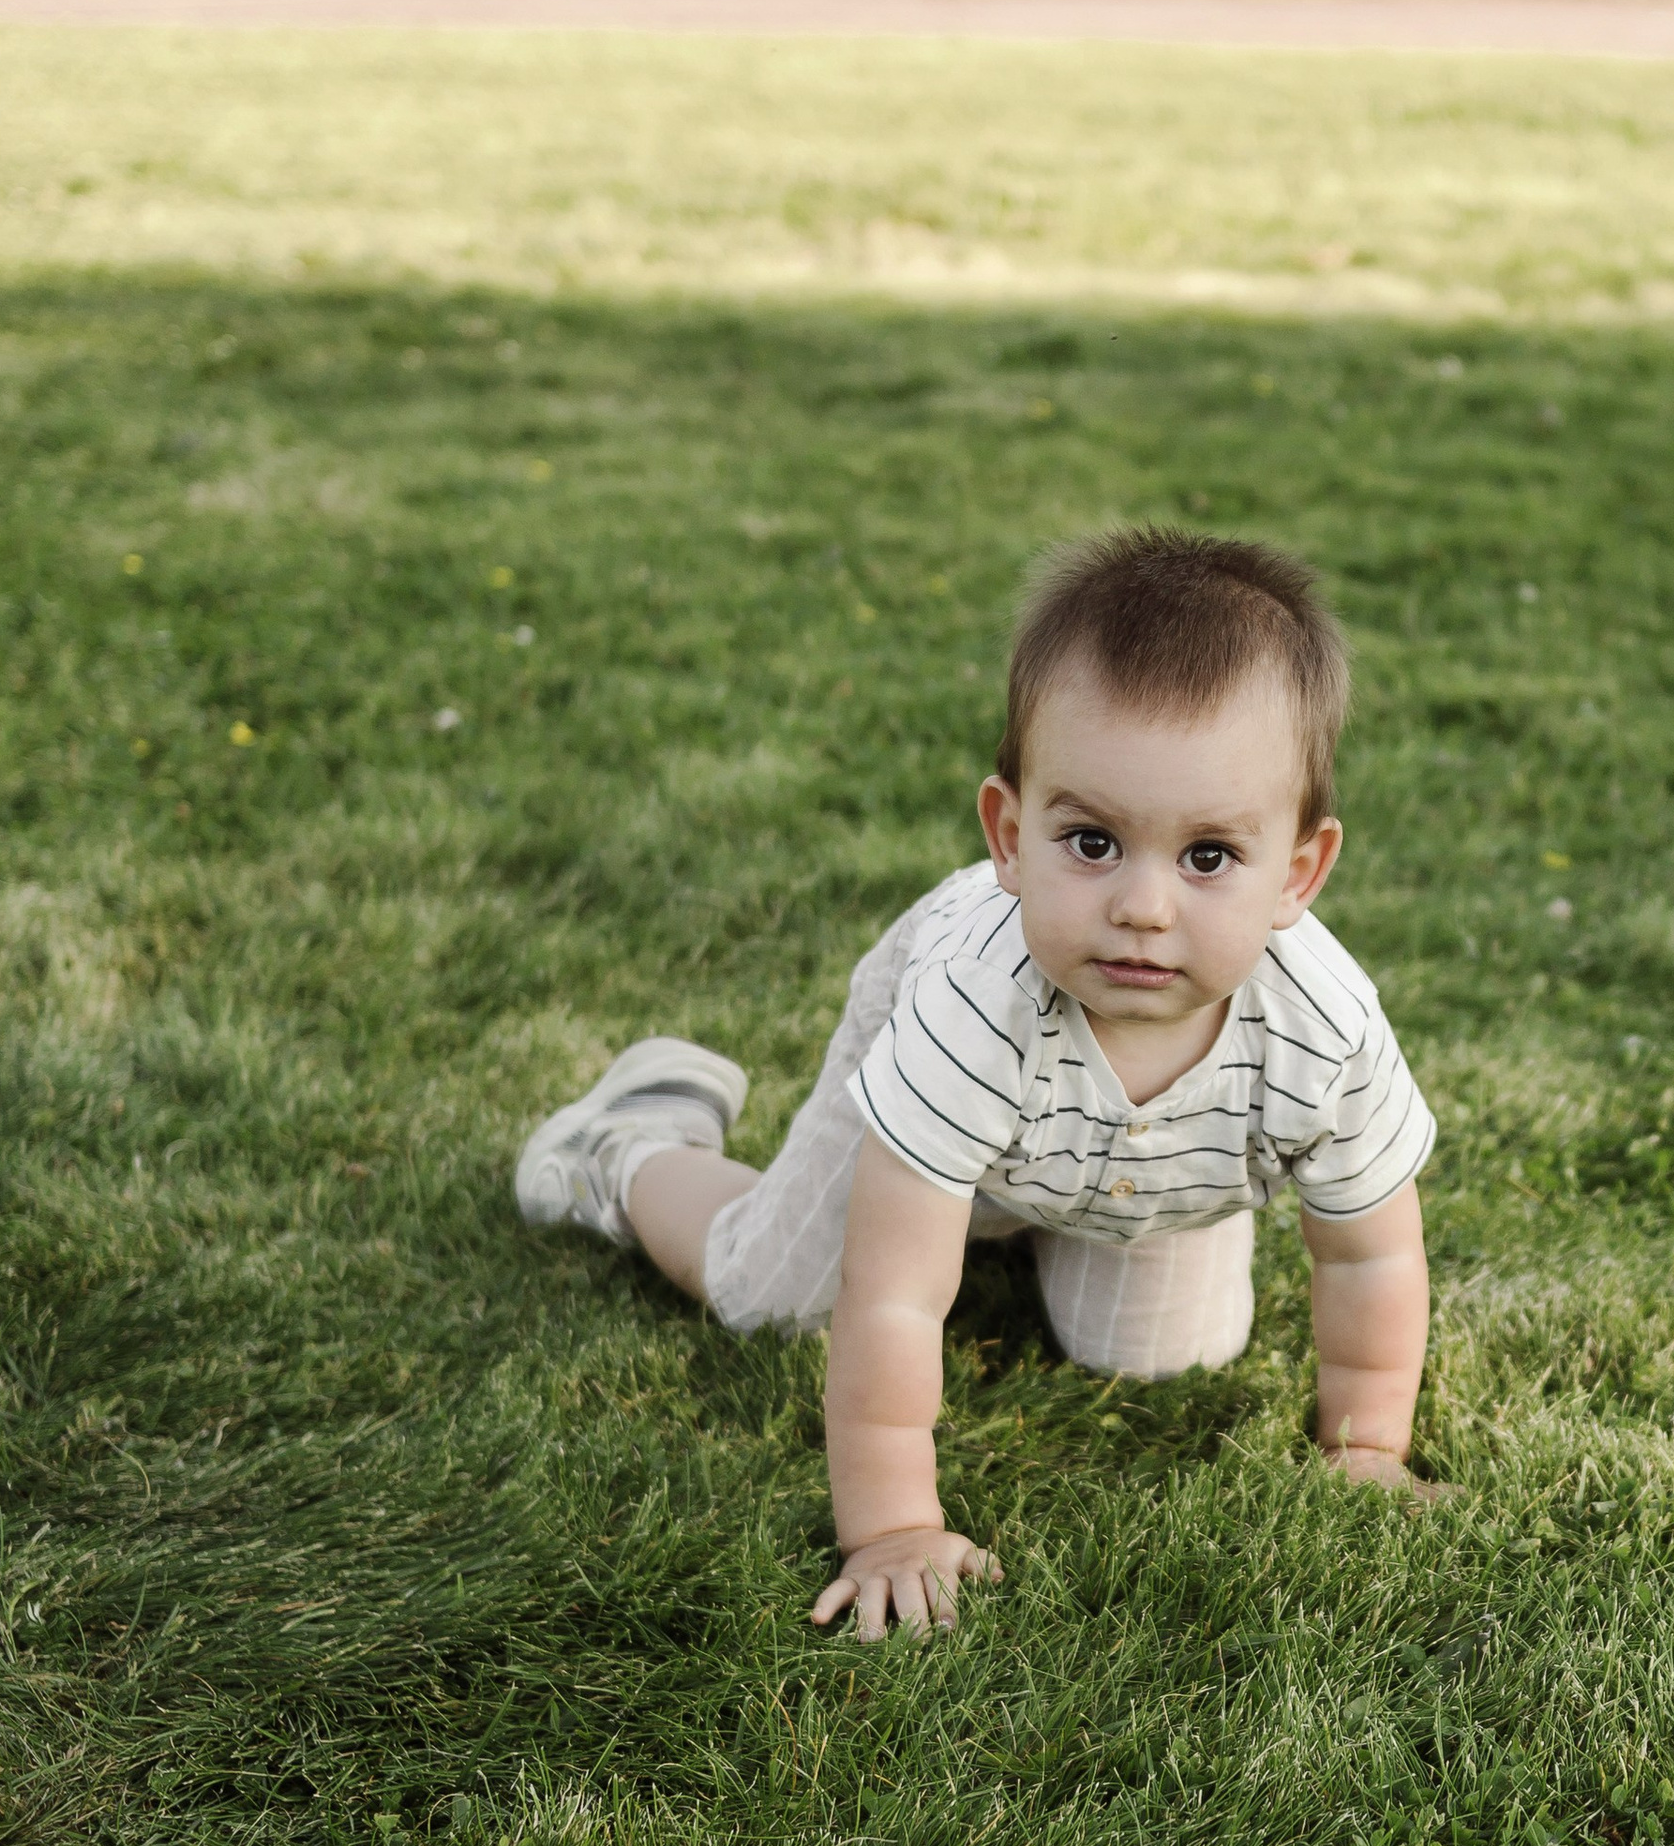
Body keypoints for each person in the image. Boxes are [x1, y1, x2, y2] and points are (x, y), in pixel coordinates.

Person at [513, 527, 1436, 1640]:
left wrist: (1365, 1447)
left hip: (1140, 1164)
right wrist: (893, 1526)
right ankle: (629, 1145)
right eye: (1090, 842)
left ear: (1297, 872)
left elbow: (1371, 1254)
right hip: (955, 1093)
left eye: (1207, 857)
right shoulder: (970, 1005)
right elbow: (893, 1298)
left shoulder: (1322, 1029)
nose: (1143, 908)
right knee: (769, 1291)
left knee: (1163, 1359)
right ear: (1009, 832)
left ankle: (1047, 1210)